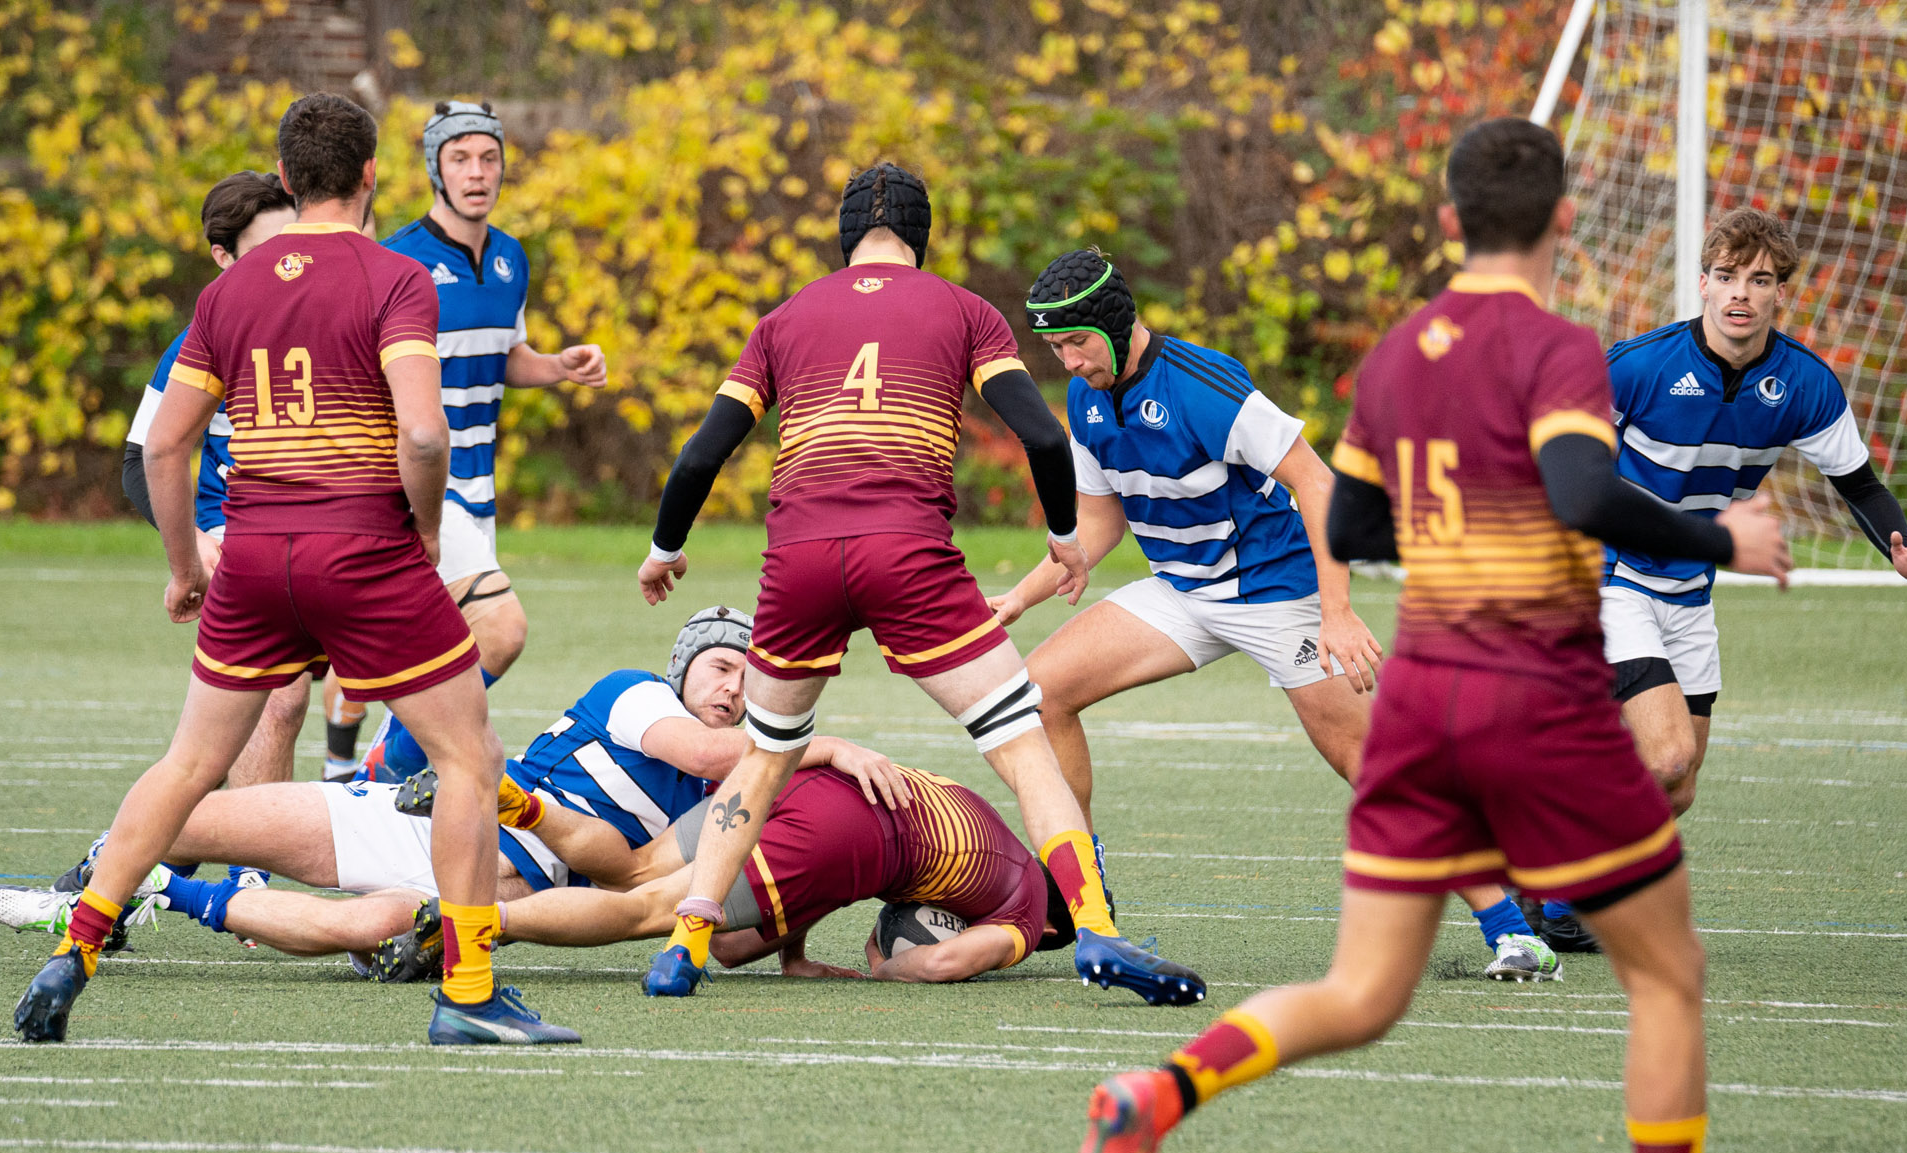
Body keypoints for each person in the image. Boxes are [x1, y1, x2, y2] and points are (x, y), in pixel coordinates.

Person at [1060, 119, 1798, 1153]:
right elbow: (1575, 489)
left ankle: (1153, 1096)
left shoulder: (1398, 355)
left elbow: (1347, 528)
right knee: (1668, 978)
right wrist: (1722, 534)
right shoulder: (1555, 345)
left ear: (1449, 221)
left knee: (1359, 996)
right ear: (1563, 222)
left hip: (1420, 702)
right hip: (1530, 696)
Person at [10, 93, 568, 1047]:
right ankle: (469, 995)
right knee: (467, 761)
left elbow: (164, 447)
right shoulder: (397, 277)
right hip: (364, 549)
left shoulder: (228, 293)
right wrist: (426, 534)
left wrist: (187, 565)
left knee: (188, 766)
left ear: (282, 180)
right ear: (372, 177)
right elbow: (426, 434)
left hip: (257, 558)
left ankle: (78, 948)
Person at [633, 163, 1203, 1005]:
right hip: (908, 555)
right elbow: (1044, 439)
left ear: (841, 238)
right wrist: (1062, 539)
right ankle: (1098, 933)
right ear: (923, 238)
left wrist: (664, 548)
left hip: (802, 559)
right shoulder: (964, 310)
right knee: (1021, 746)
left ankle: (684, 945)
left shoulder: (783, 321)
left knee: (763, 759)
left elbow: (701, 453)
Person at [996, 250, 1558, 982]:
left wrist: (1337, 613)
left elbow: (1319, 484)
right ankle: (1083, 896)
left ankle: (1516, 932)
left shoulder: (1204, 384)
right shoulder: (1087, 400)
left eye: (1076, 343)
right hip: (1185, 593)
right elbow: (1100, 524)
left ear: (1115, 323)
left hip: (1274, 591)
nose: (1068, 362)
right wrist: (1018, 597)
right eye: (1055, 348)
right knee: (1040, 696)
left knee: (1369, 764)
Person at [0, 610, 901, 967]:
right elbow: (720, 762)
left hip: (468, 888)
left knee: (369, 926)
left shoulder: (728, 785)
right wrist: (814, 746)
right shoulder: (640, 696)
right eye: (722, 667)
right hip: (433, 830)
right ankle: (83, 890)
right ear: (684, 669)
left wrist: (782, 942)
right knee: (210, 815)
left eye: (750, 676)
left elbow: (657, 880)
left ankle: (165, 895)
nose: (734, 686)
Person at [1529, 207, 1907, 954]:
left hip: (1690, 590)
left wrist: (1899, 550)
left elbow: (1858, 484)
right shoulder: (1636, 366)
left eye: (1759, 281)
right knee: (1661, 756)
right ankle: (1558, 891)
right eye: (1726, 277)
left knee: (1678, 786)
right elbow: (1565, 463)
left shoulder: (1803, 385)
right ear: (1702, 282)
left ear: (1780, 293)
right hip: (1610, 574)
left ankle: (1550, 870)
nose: (1740, 295)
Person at [340, 100, 609, 782]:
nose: (477, 171)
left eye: (489, 158)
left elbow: (503, 354)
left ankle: (365, 762)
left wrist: (555, 368)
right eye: (460, 157)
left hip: (478, 491)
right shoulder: (396, 260)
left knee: (447, 647)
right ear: (435, 167)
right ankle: (385, 763)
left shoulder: (511, 258)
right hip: (419, 483)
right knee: (501, 631)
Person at [404, 763, 1050, 987]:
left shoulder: (985, 823)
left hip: (803, 782)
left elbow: (743, 946)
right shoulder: (1027, 910)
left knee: (637, 871)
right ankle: (479, 925)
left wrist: (792, 953)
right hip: (838, 837)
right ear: (1056, 929)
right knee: (654, 910)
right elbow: (941, 963)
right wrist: (886, 967)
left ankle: (520, 805)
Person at [121, 170, 313, 789]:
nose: (286, 268)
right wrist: (193, 547)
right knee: (277, 703)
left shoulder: (328, 326)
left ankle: (152, 868)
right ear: (222, 258)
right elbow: (141, 461)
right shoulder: (197, 344)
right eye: (264, 254)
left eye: (293, 247)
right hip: (240, 544)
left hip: (324, 545)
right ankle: (241, 876)